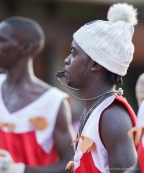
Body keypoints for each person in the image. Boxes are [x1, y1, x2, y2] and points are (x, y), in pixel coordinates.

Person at [0, 16, 74, 173]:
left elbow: (70, 164)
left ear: (25, 48)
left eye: (1, 40)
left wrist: (19, 170)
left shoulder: (53, 103)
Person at [62, 3, 138, 173]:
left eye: (73, 53)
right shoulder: (97, 109)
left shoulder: (113, 117)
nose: (67, 60)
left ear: (95, 63)